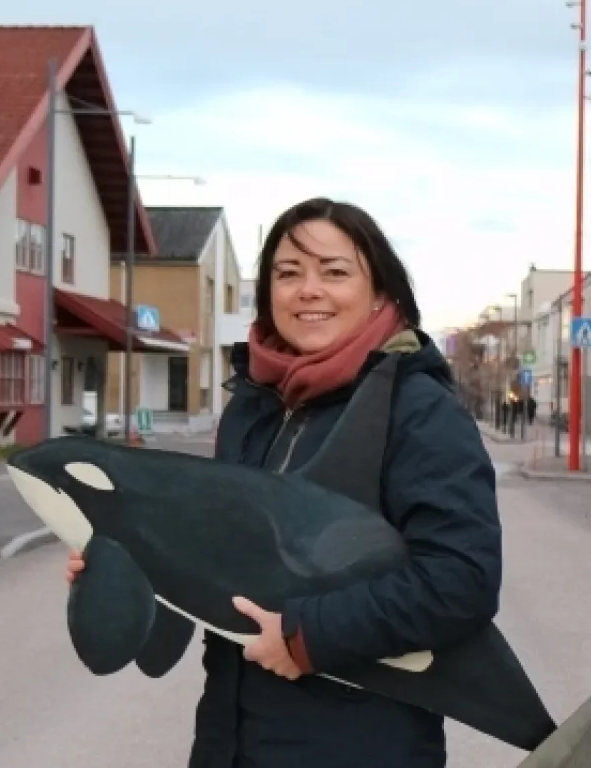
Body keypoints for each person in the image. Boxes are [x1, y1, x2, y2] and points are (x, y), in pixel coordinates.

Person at [64, 197, 503, 768]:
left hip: (363, 745)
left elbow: (461, 580)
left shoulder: (417, 411)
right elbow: (214, 564)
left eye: (335, 272)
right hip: (232, 736)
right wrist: (128, 572)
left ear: (382, 294)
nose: (308, 290)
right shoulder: (254, 407)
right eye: (288, 273)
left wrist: (308, 635)